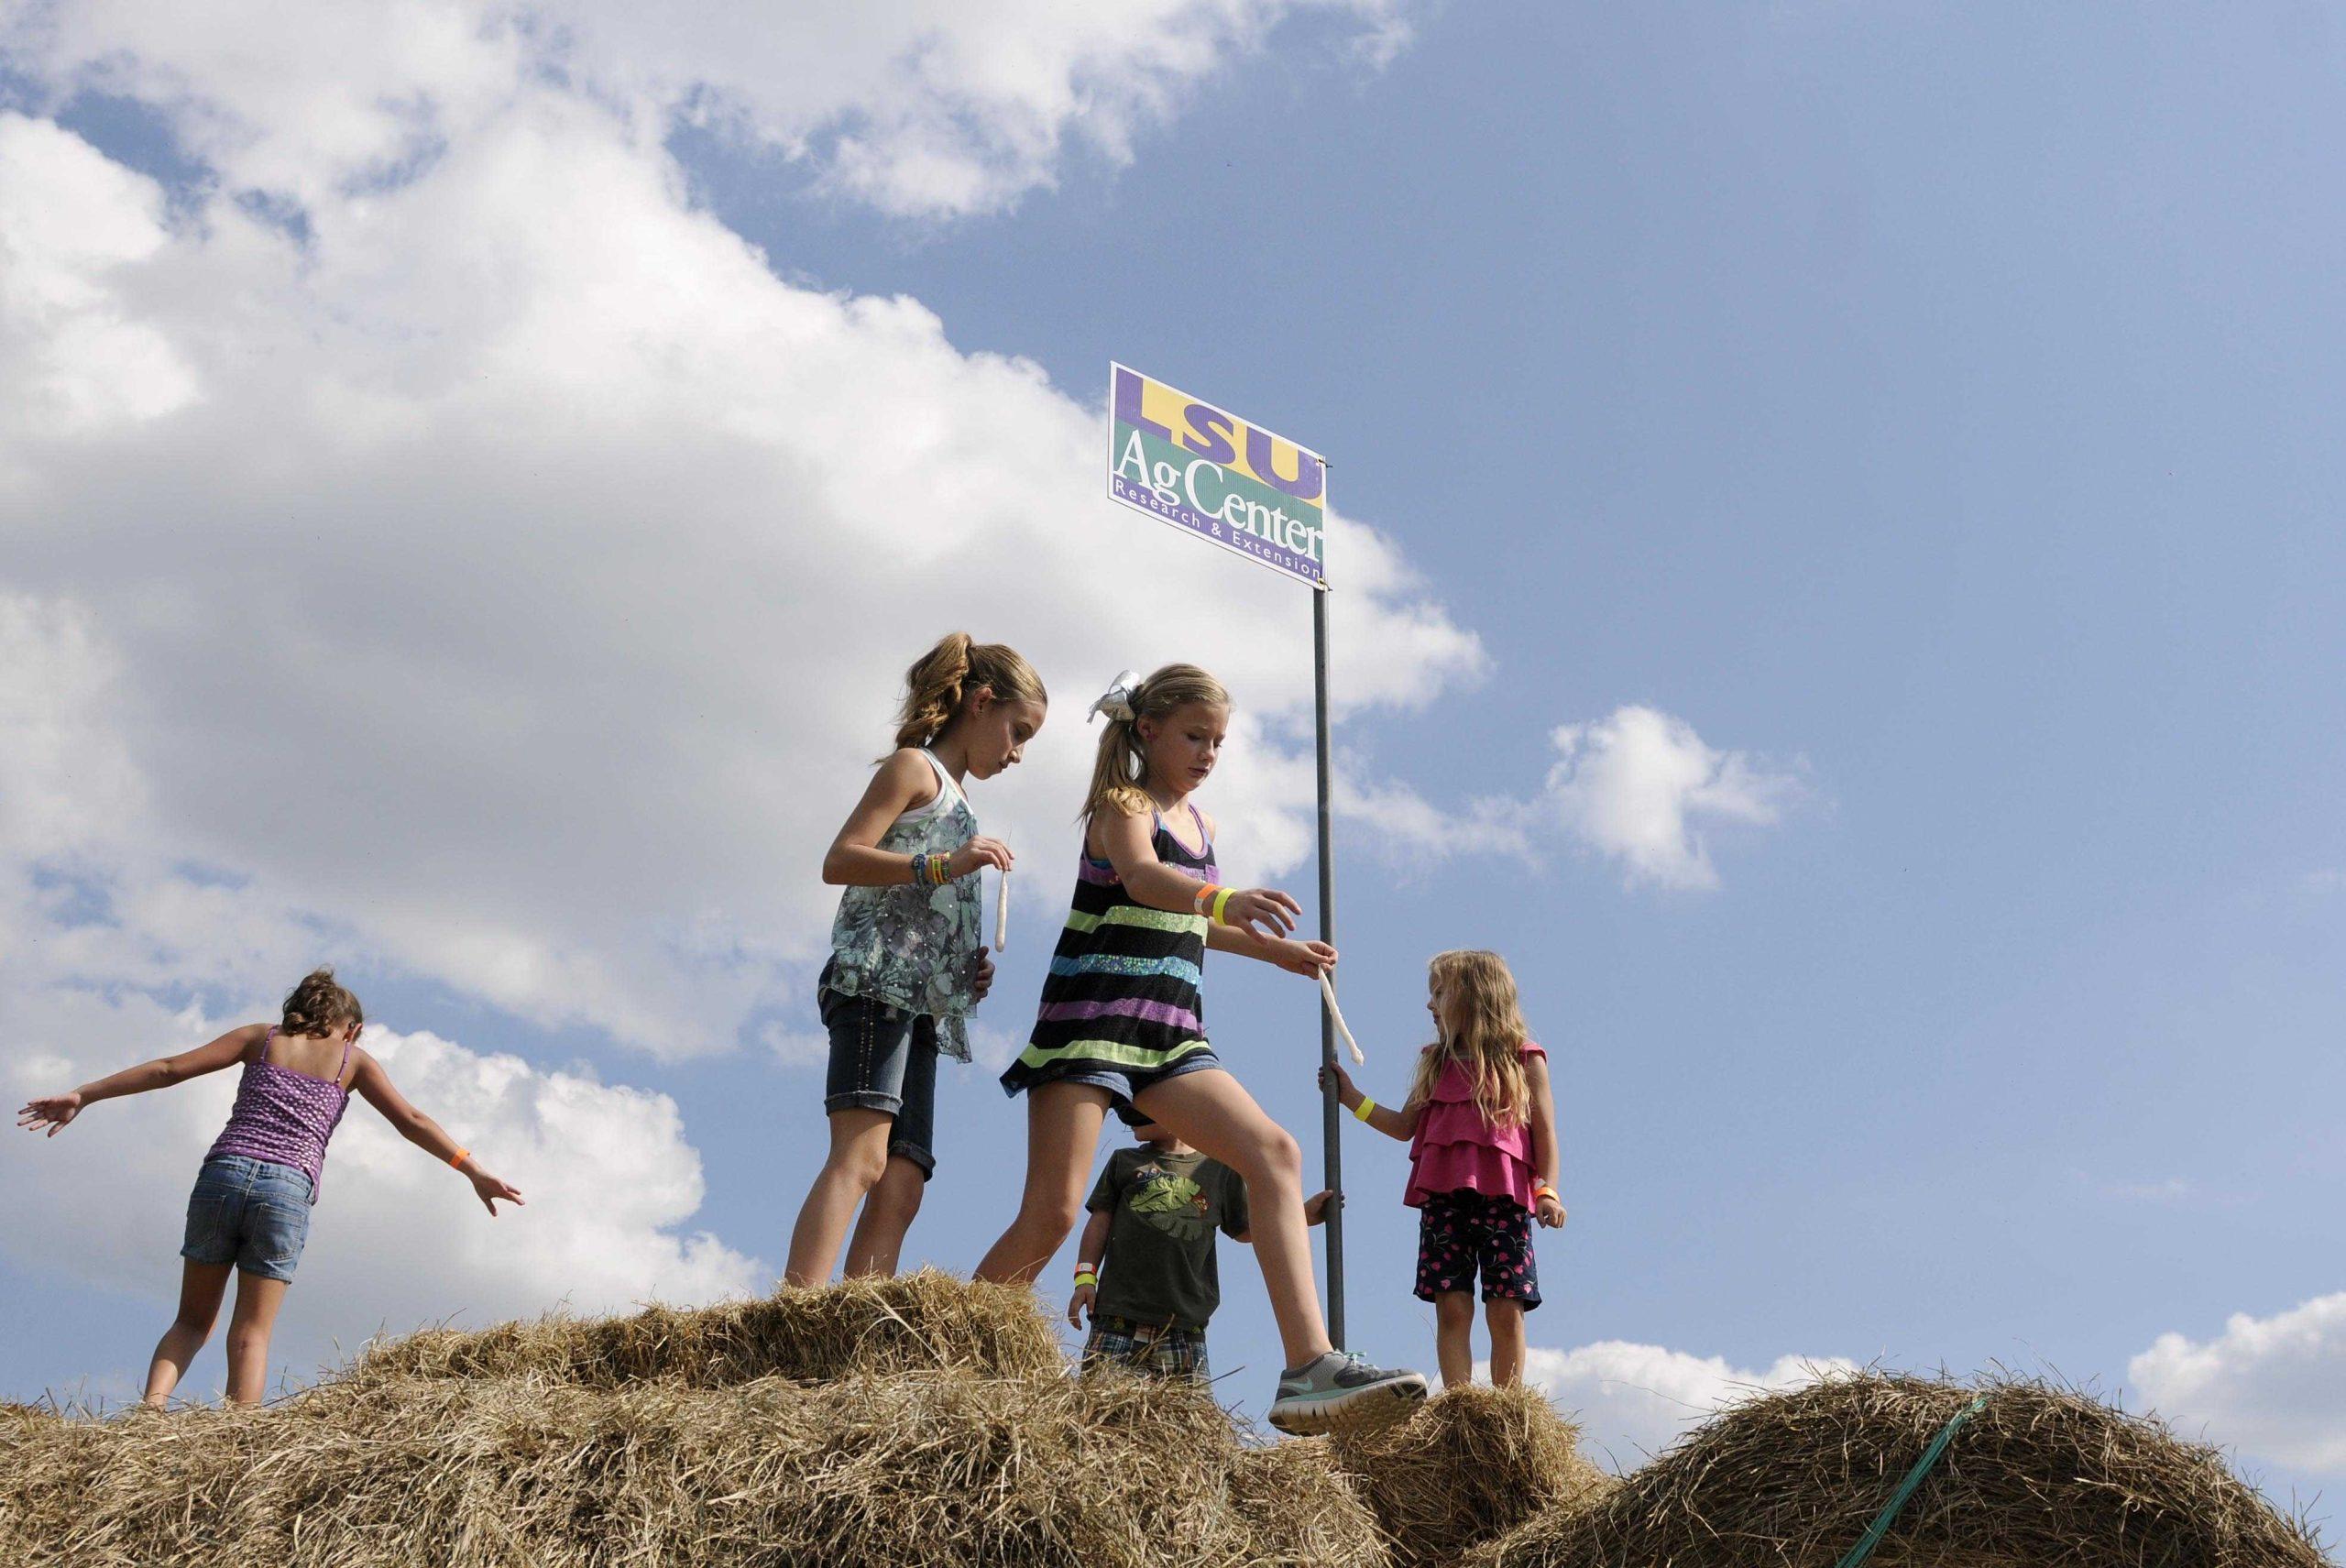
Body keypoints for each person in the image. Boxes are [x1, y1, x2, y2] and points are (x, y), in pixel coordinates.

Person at [977, 663, 1427, 1433]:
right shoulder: (1123, 803)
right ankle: (945, 1348)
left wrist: (1274, 952)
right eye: (1195, 735)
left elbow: (1188, 919)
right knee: (1052, 1212)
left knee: (1274, 1152)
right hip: (1091, 1017)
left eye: (1218, 740)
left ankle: (1309, 1365)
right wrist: (1225, 897)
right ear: (1148, 730)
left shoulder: (1205, 824)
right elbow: (1146, 880)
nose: (1209, 752)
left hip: (1169, 1030)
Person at [15, 968, 523, 1407]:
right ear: (355, 1029)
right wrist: (471, 1169)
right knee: (251, 1332)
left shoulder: (259, 1038)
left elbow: (167, 1070)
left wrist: (85, 1094)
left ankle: (150, 1412)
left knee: (193, 1319)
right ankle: (240, 1437)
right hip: (285, 1189)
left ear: (294, 1011)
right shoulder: (353, 1061)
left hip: (224, 1174)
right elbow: (410, 1119)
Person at [783, 632, 1047, 1285]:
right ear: (982, 702)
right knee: (862, 1157)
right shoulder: (912, 768)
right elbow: (840, 860)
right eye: (1019, 732)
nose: (1018, 753)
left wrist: (963, 967)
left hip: (923, 1003)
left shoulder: (962, 801)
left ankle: (858, 1333)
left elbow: (928, 903)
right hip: (875, 981)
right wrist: (943, 864)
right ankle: (795, 1314)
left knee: (903, 1183)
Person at [1321, 948, 1565, 1390]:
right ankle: (1460, 1403)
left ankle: (1506, 1406)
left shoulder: (1524, 1059)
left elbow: (1545, 1135)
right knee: (1451, 1306)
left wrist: (1547, 1190)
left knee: (1505, 1306)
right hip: (1444, 1202)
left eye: (1439, 992)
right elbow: (1402, 1127)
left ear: (1473, 996)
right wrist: (1352, 1098)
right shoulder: (1436, 1062)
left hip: (1505, 1200)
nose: (1430, 1004)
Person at [1066, 1115, 1334, 1381]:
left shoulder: (1218, 1170)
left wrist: (1301, 1216)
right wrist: (1085, 1279)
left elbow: (1246, 1228)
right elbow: (1099, 1222)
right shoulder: (1124, 1161)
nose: (1130, 1115)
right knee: (1100, 1416)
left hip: (1184, 1329)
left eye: (1141, 1108)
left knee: (1189, 1420)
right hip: (1117, 1320)